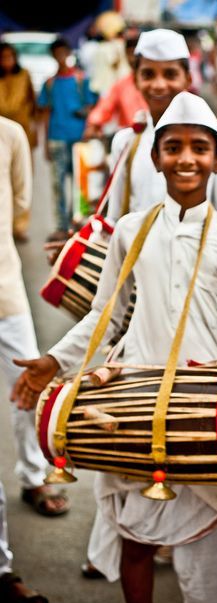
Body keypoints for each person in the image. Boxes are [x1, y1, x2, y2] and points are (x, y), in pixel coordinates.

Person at [12, 91, 217, 603]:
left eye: (199, 148)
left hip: (208, 411)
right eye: (174, 147)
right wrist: (53, 361)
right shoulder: (132, 231)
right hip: (135, 400)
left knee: (213, 554)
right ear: (156, 158)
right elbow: (104, 318)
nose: (187, 158)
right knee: (135, 535)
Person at [0, 116, 69, 519]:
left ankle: (33, 475)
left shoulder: (10, 134)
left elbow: (21, 203)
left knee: (28, 382)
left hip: (4, 287)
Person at [106, 28, 217, 224]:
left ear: (188, 79)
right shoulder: (126, 142)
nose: (158, 85)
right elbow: (115, 220)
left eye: (170, 74)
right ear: (135, 80)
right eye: (148, 74)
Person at [38, 38, 97, 242]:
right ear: (53, 55)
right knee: (58, 183)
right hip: (57, 137)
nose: (61, 56)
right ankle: (61, 225)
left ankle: (77, 221)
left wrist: (85, 118)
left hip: (79, 138)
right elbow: (45, 114)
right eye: (57, 53)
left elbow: (91, 106)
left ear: (68, 53)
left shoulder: (81, 80)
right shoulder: (50, 83)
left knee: (80, 183)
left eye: (63, 52)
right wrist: (45, 142)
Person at [0, 42, 37, 242]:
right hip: (2, 137)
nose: (6, 61)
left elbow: (32, 103)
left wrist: (35, 131)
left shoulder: (24, 76)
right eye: (2, 57)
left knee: (22, 180)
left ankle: (20, 225)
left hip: (22, 133)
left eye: (9, 57)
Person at [84, 35, 148, 139]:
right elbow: (104, 107)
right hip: (130, 141)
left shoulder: (155, 84)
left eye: (135, 54)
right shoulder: (121, 85)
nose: (132, 59)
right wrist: (93, 124)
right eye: (129, 53)